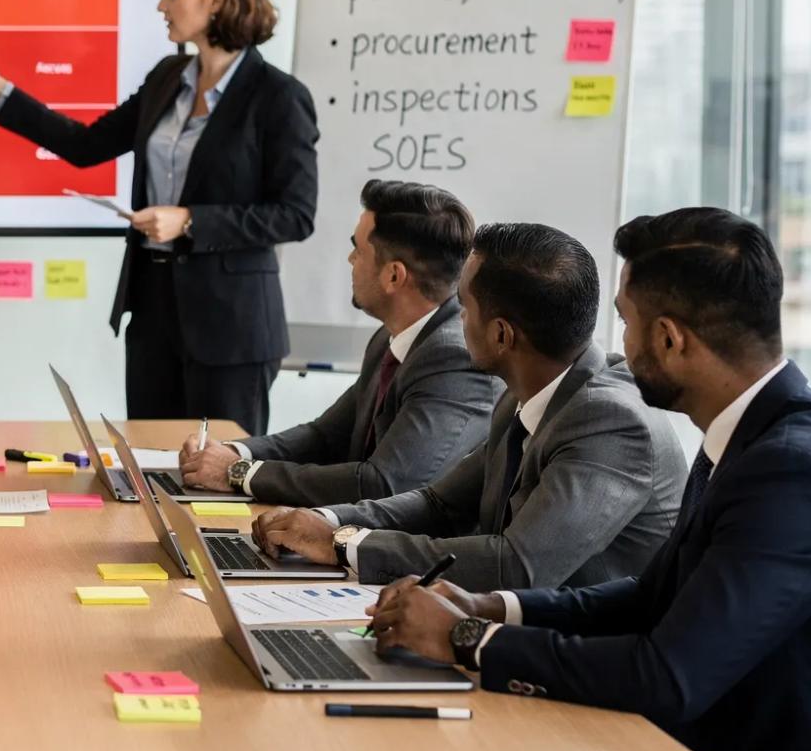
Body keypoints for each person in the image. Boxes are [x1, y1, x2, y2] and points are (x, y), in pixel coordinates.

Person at [367, 208, 811, 751]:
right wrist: (490, 609)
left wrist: (466, 639)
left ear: (668, 339)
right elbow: (650, 598)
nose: (618, 347)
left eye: (626, 324)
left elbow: (667, 678)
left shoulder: (795, 470)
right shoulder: (751, 436)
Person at [0, 0, 317, 435]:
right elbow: (85, 145)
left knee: (219, 484)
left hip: (232, 328)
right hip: (155, 311)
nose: (162, 5)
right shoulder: (168, 78)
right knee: (151, 469)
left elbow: (295, 213)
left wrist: (190, 220)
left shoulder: (278, 97)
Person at [255, 222, 686, 591]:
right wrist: (324, 520)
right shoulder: (528, 390)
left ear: (502, 336)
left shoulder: (611, 421)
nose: (455, 318)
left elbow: (516, 565)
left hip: (583, 660)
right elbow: (439, 504)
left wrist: (343, 543)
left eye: (464, 308)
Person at [178, 180, 498, 505]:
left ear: (394, 276)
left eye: (358, 250)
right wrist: (233, 452)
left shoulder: (455, 358)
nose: (350, 259)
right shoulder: (392, 338)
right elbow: (325, 436)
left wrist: (239, 472)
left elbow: (383, 484)